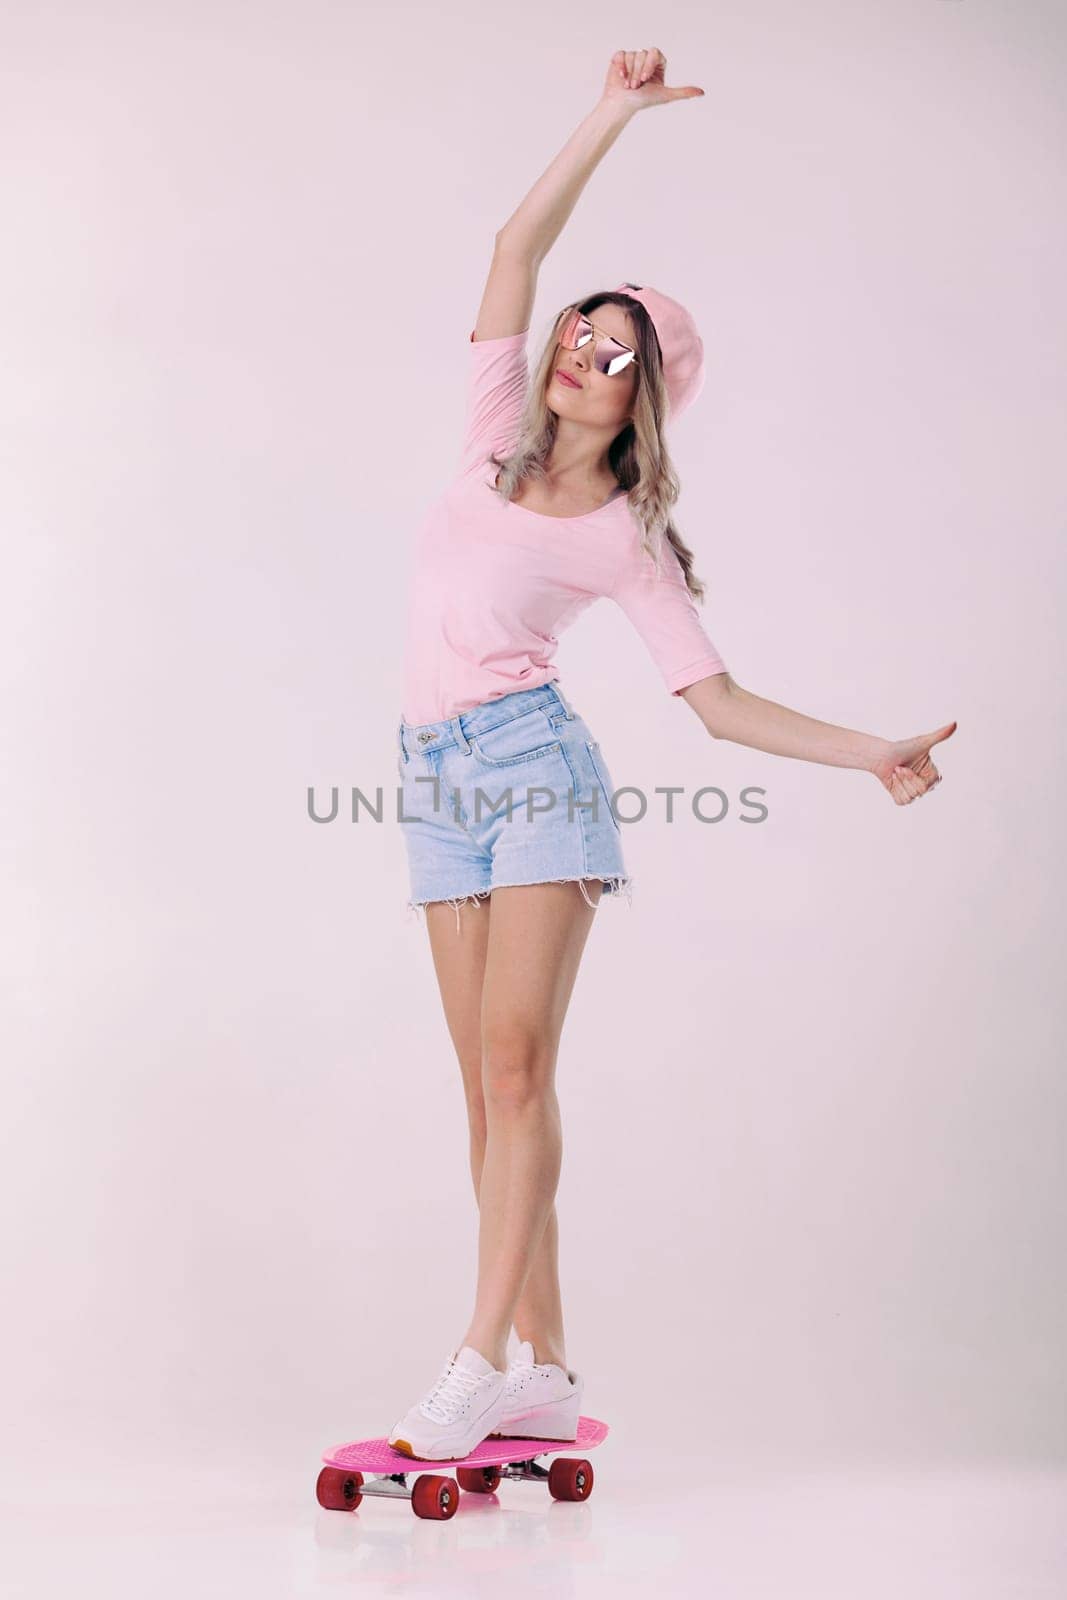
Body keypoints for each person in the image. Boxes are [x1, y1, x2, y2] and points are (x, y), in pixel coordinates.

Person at [387, 47, 956, 1462]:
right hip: (430, 781)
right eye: (581, 332)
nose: (583, 352)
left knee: (518, 1078)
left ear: (644, 394)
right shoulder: (485, 442)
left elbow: (716, 701)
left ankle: (474, 1359)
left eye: (616, 350)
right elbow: (518, 242)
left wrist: (871, 747)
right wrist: (613, 116)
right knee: (486, 1092)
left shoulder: (623, 537)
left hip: (536, 778)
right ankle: (546, 1375)